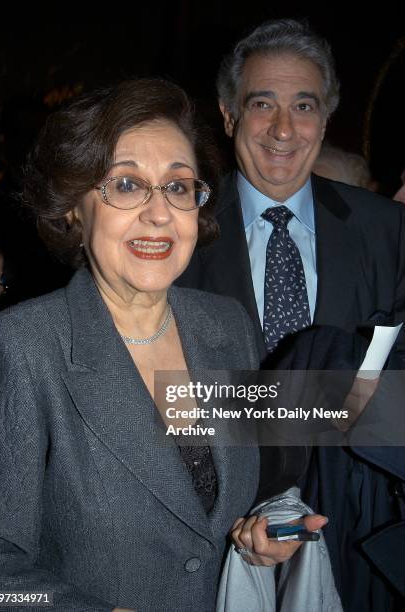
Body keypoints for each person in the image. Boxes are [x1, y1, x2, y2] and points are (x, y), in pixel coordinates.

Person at [0, 79, 326, 612]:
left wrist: (260, 528)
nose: (159, 212)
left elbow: (239, 491)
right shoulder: (22, 349)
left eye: (177, 186)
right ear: (73, 208)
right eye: (125, 185)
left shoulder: (226, 325)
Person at [177, 18, 405, 610]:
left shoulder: (387, 232)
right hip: (215, 537)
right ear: (228, 117)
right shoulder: (173, 234)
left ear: (326, 120)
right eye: (262, 105)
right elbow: (160, 401)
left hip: (357, 539)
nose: (283, 129)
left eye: (303, 105)